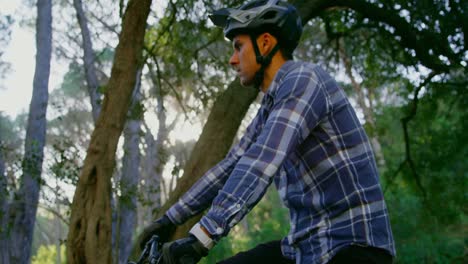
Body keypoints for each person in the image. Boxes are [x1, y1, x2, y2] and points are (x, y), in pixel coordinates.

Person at [140, 0, 396, 263]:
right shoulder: (269, 110)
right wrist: (170, 220)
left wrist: (203, 235)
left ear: (265, 43)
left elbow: (261, 162)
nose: (232, 60)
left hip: (353, 247)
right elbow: (231, 166)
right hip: (307, 248)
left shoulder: (304, 79)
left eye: (238, 47)